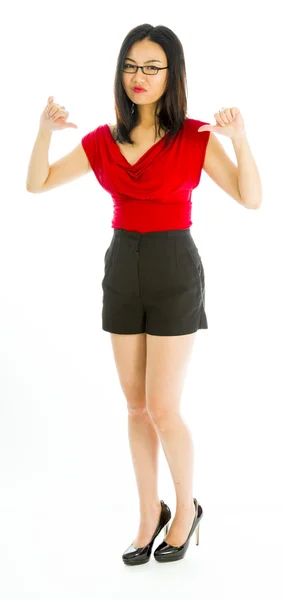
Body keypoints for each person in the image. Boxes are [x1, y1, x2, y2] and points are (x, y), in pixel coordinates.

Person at [26, 23, 257, 567]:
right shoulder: (104, 140)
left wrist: (242, 141)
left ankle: (185, 511)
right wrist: (44, 132)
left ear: (172, 76)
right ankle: (146, 514)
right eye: (132, 65)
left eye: (153, 67)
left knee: (163, 408)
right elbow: (37, 184)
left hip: (175, 267)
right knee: (134, 406)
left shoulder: (195, 137)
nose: (140, 76)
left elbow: (251, 198)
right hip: (120, 267)